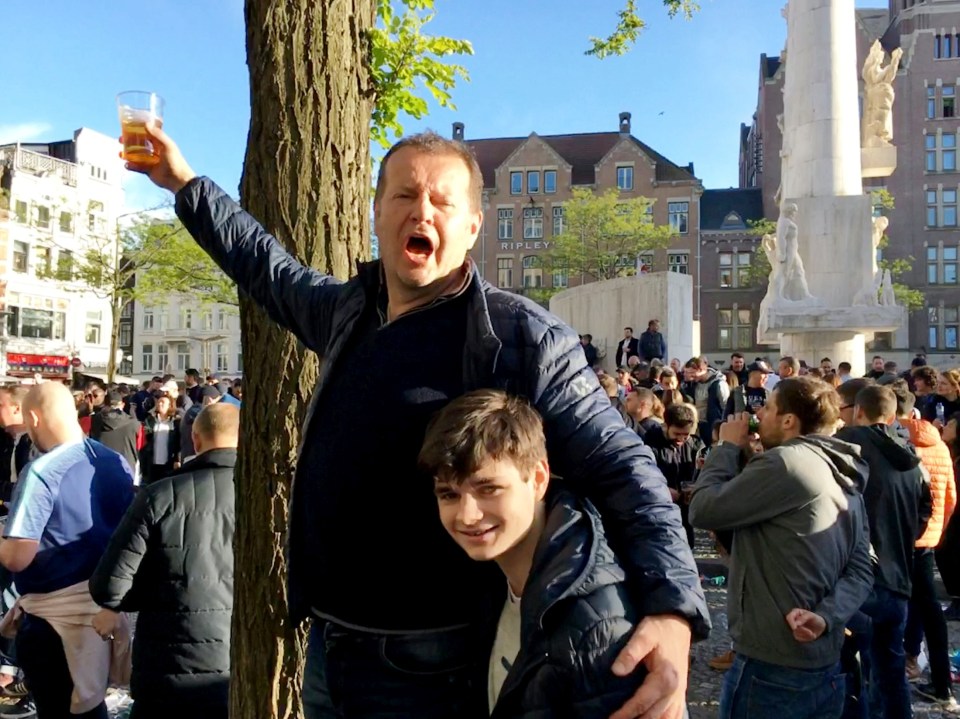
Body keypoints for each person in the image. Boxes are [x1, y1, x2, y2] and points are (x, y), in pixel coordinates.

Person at [128, 121, 709, 719]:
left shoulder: (522, 337)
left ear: (473, 227)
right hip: (328, 641)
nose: (421, 211)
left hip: (434, 657)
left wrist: (672, 609)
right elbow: (264, 265)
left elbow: (624, 466)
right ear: (378, 214)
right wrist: (182, 183)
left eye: (441, 201)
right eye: (404, 196)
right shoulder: (348, 312)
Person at [419, 390, 643, 717]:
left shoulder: (595, 628)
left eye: (488, 489)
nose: (467, 515)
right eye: (449, 494)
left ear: (538, 478)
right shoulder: (487, 579)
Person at [689, 377, 874, 719]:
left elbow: (703, 510)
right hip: (824, 660)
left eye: (769, 407)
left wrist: (725, 448)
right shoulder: (844, 469)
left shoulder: (787, 463)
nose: (759, 413)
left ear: (789, 420)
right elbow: (862, 568)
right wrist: (825, 616)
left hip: (771, 667)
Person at [90, 404, 240, 719]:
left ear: (195, 441)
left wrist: (154, 589)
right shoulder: (274, 495)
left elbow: (109, 586)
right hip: (243, 665)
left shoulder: (159, 496)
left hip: (166, 666)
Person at [0, 383, 134, 719]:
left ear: (33, 417)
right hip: (102, 614)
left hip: (52, 620)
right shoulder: (115, 462)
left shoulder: (43, 471)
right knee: (90, 709)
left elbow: (18, 556)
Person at [835, 385, 929, 718]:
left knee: (850, 674)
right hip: (899, 578)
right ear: (891, 417)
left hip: (857, 579)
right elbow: (924, 515)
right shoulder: (910, 456)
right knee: (891, 673)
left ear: (857, 411)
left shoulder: (846, 446)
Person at [90, 389, 142, 483]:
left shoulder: (94, 421)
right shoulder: (135, 424)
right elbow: (140, 447)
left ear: (105, 404)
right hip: (126, 468)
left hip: (101, 468)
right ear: (122, 404)